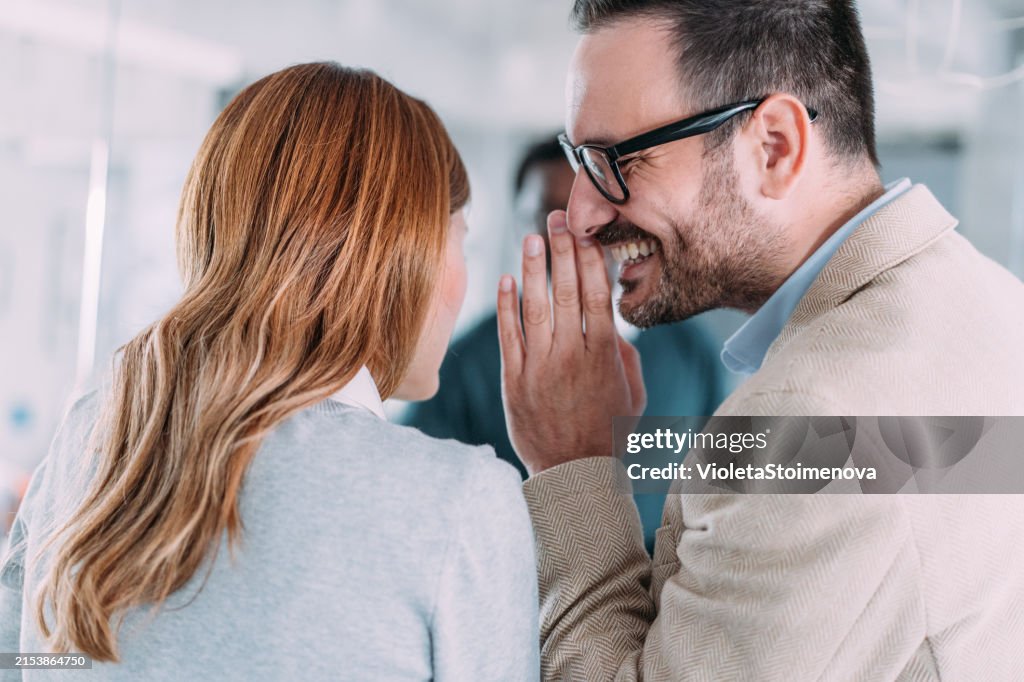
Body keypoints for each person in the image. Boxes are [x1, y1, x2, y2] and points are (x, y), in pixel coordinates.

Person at [497, 2, 1024, 681]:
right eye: (580, 159)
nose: (584, 213)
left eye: (617, 160)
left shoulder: (808, 417)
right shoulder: (994, 300)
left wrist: (572, 466)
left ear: (773, 146)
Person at [0, 63, 538, 681]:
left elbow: (18, 659)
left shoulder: (93, 430)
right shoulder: (459, 503)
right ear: (401, 252)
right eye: (460, 239)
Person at [404, 137, 727, 550]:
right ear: (522, 226)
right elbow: (421, 492)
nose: (571, 235)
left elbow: (728, 482)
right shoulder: (466, 361)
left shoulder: (690, 352)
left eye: (586, 217)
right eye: (550, 218)